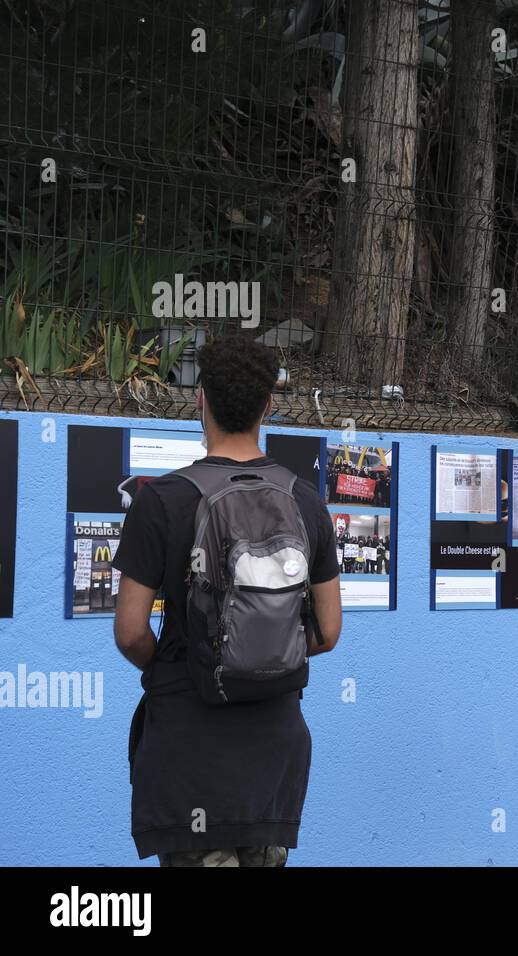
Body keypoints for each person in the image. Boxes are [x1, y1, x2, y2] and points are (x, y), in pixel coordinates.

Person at [112, 336, 343, 867]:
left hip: (189, 746)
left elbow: (129, 632)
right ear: (268, 405)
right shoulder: (305, 501)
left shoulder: (161, 501)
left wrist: (190, 660)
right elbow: (328, 632)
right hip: (274, 749)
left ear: (200, 400)